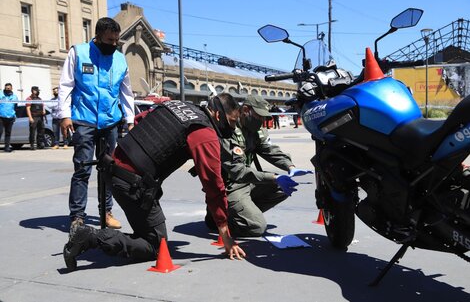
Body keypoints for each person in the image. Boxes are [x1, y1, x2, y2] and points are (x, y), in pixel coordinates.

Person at [63, 93, 246, 271]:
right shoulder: (204, 131)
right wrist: (225, 235)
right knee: (156, 246)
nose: (233, 127)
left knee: (151, 232)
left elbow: (139, 120)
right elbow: (214, 185)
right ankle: (89, 237)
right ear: (218, 115)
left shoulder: (179, 106)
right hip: (131, 183)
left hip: (112, 167)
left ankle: (100, 237)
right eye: (231, 121)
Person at [58, 17, 135, 230]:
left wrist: (129, 120)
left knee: (109, 169)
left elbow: (126, 92)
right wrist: (65, 115)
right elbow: (66, 85)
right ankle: (77, 217)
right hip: (84, 120)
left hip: (110, 122)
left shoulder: (120, 60)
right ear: (98, 36)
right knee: (82, 169)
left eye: (116, 41)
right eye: (109, 40)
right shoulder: (79, 53)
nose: (113, 44)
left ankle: (106, 212)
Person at [215, 95, 312, 237]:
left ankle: (241, 212)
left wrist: (290, 166)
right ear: (246, 110)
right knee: (256, 227)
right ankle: (221, 217)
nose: (262, 121)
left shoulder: (255, 130)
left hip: (247, 181)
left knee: (282, 187)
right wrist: (274, 177)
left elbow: (269, 149)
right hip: (231, 185)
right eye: (259, 116)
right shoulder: (229, 130)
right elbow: (238, 172)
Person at [0, 83, 19, 152]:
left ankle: (7, 147)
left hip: (10, 117)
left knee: (8, 133)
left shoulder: (14, 97)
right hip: (1, 117)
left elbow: (16, 107)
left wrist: (15, 116)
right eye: (6, 88)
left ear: (11, 88)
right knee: (0, 131)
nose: (7, 89)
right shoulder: (1, 94)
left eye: (9, 88)